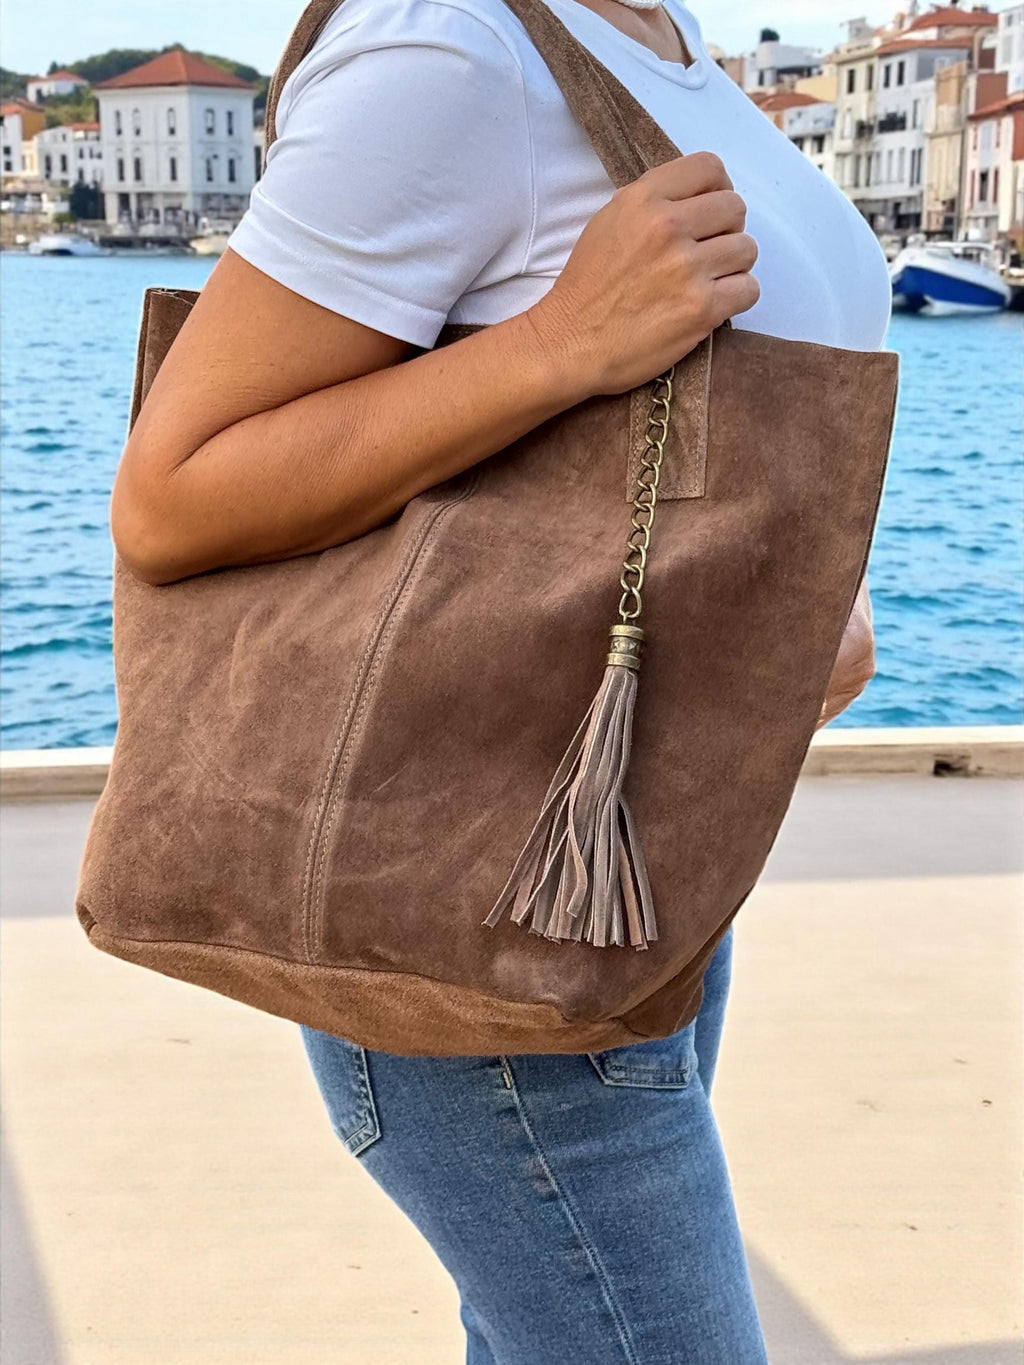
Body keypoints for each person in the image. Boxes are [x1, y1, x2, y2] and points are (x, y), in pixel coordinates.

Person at [110, 0, 891, 1357]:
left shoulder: (657, 34)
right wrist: (558, 345)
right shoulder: (448, 48)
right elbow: (172, 495)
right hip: (468, 918)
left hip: (628, 891)